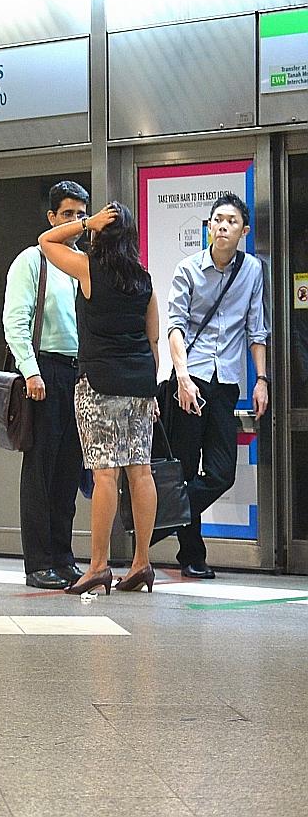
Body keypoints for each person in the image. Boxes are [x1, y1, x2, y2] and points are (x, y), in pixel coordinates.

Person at [39, 202, 161, 596]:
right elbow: (153, 337)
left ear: (99, 235)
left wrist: (84, 222)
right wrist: (152, 388)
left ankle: (98, 567)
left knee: (105, 473)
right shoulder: (144, 279)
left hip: (100, 383)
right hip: (141, 384)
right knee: (140, 471)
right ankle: (142, 563)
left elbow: (45, 241)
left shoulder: (90, 269)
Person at [155, 192, 270, 579]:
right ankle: (192, 556)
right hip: (191, 379)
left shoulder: (252, 270)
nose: (223, 226)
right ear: (209, 227)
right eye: (217, 220)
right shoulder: (188, 269)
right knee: (185, 468)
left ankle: (163, 517)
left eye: (231, 221)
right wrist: (183, 378)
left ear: (244, 230)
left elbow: (257, 329)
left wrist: (262, 379)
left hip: (225, 384)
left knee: (222, 472)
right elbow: (175, 327)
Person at [5, 181, 89, 590]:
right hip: (44, 371)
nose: (76, 223)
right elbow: (15, 322)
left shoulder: (82, 263)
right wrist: (31, 370)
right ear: (52, 219)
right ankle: (37, 561)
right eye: (69, 214)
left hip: (77, 372)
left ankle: (63, 555)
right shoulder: (32, 261)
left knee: (69, 468)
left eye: (81, 215)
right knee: (40, 466)